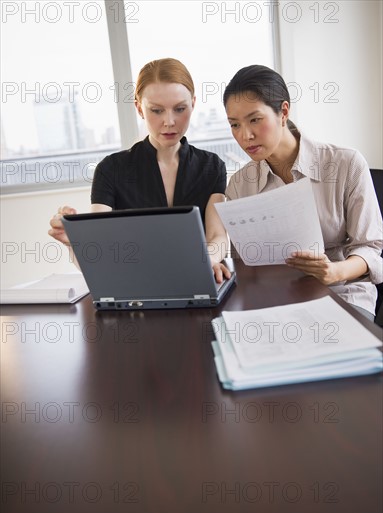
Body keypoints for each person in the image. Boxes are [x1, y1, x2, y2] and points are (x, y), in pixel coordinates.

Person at [222, 64, 383, 320]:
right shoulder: (240, 184)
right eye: (235, 125)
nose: (246, 135)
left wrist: (335, 272)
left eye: (255, 120)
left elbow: (370, 248)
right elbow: (243, 263)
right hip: (276, 301)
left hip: (343, 293)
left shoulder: (345, 163)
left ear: (283, 112)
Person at [49, 58, 230, 282]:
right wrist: (75, 242)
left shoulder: (211, 166)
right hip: (136, 286)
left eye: (180, 109)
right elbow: (100, 252)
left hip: (198, 279)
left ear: (193, 104)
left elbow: (217, 236)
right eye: (156, 110)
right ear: (139, 108)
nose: (169, 121)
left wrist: (206, 259)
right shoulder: (111, 169)